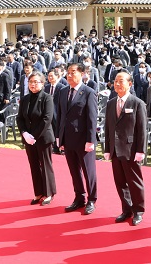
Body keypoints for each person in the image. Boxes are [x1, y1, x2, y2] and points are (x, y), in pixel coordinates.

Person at [104, 71, 147, 226]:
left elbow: (142, 129)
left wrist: (141, 150)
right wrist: (107, 148)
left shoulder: (137, 103)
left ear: (130, 84)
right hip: (115, 149)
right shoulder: (110, 103)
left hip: (131, 149)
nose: (117, 84)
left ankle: (138, 211)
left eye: (121, 81)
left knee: (134, 182)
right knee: (120, 182)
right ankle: (126, 209)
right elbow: (108, 127)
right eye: (115, 81)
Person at [57, 63, 99, 215]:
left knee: (89, 172)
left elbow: (92, 119)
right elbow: (60, 116)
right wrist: (59, 138)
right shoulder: (62, 91)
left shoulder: (89, 92)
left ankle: (92, 199)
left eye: (73, 72)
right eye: (67, 72)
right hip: (68, 139)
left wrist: (91, 140)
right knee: (74, 171)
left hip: (83, 139)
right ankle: (79, 197)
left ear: (82, 74)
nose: (69, 75)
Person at [17, 71, 56, 206]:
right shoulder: (25, 99)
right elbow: (20, 118)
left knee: (45, 165)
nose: (33, 84)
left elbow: (47, 119)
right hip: (29, 139)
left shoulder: (47, 98)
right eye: (30, 82)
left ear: (42, 84)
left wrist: (34, 136)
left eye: (36, 82)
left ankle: (49, 193)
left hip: (43, 137)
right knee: (34, 165)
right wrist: (24, 134)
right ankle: (38, 192)